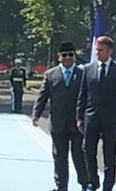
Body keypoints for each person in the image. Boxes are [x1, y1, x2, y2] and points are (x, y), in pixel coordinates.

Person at [32, 42, 89, 191]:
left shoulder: (83, 74)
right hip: (58, 123)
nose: (68, 58)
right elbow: (42, 96)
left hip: (77, 123)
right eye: (64, 55)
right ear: (59, 57)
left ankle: (84, 183)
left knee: (79, 156)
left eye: (71, 54)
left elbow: (88, 98)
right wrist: (36, 114)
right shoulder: (51, 75)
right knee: (59, 157)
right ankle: (61, 185)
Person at [76, 35, 116, 191]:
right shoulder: (88, 69)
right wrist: (79, 117)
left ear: (109, 51)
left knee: (109, 154)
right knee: (88, 151)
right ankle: (94, 181)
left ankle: (108, 186)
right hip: (91, 117)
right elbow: (83, 95)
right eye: (96, 50)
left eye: (101, 50)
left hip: (110, 118)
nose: (98, 53)